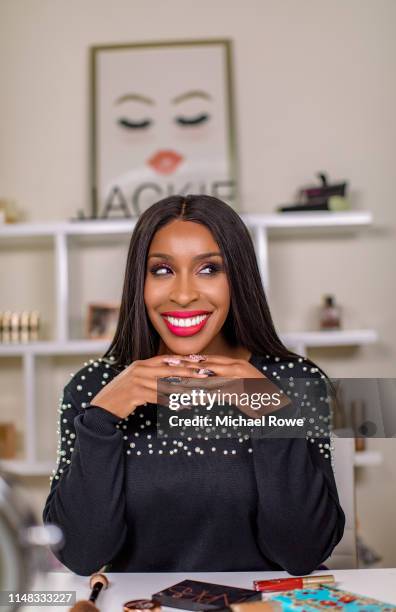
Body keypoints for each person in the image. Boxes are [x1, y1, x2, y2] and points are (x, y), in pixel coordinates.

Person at [42, 194, 345, 576]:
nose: (183, 295)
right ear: (140, 281)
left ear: (238, 279)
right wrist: (101, 419)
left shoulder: (296, 381)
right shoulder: (92, 387)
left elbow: (303, 552)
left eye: (209, 269)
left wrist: (273, 412)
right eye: (163, 270)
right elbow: (82, 555)